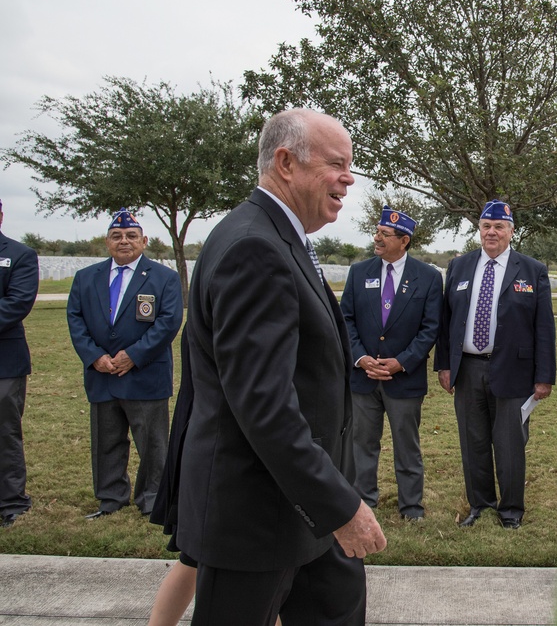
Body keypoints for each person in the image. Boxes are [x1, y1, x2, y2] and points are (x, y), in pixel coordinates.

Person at [176, 109, 386, 625]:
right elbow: (263, 406)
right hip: (257, 518)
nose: (349, 178)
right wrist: (340, 505)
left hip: (304, 513)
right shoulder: (255, 247)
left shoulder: (278, 237)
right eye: (337, 163)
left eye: (350, 165)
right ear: (286, 162)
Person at [435, 199, 556, 530]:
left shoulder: (531, 270)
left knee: (510, 443)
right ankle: (480, 503)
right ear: (479, 230)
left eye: (499, 227)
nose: (492, 232)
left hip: (514, 371)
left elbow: (544, 327)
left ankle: (512, 509)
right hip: (468, 368)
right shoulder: (459, 267)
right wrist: (445, 365)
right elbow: (447, 322)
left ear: (511, 231)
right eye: (486, 226)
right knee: (472, 441)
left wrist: (544, 377)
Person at [66, 208, 182, 519]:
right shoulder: (85, 279)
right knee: (106, 441)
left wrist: (133, 355)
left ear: (144, 241)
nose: (124, 241)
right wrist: (95, 357)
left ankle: (153, 498)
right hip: (102, 374)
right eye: (116, 236)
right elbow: (75, 320)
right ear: (107, 242)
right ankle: (110, 498)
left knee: (153, 444)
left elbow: (169, 321)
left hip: (145, 374)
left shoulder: (164, 278)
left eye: (131, 236)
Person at [340, 206, 442, 521]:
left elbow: (430, 328)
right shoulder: (359, 272)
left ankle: (411, 507)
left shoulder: (428, 277)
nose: (377, 238)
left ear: (404, 240)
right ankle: (363, 504)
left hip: (404, 380)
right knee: (362, 445)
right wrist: (360, 358)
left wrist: (402, 362)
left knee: (407, 447)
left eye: (385, 234)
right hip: (364, 377)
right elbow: (346, 320)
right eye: (378, 232)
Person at [0, 199, 39, 529]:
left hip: (5, 363)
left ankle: (12, 501)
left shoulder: (20, 255)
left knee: (5, 433)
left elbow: (17, 303)